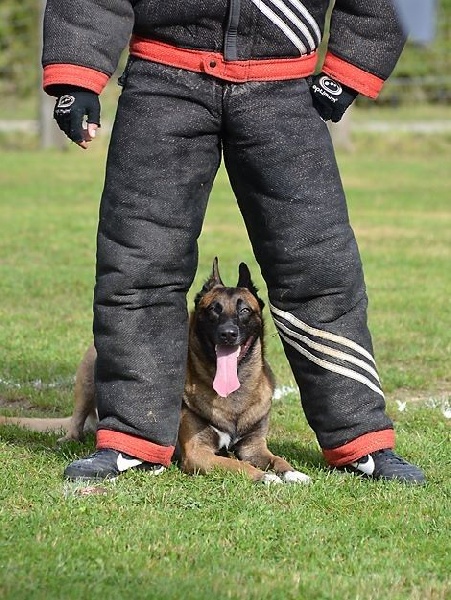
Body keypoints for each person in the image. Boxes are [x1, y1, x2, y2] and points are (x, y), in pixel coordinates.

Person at [42, 0, 425, 484]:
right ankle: (132, 440)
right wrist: (77, 69)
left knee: (321, 275)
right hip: (163, 75)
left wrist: (353, 63)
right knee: (137, 267)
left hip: (284, 83)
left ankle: (360, 441)